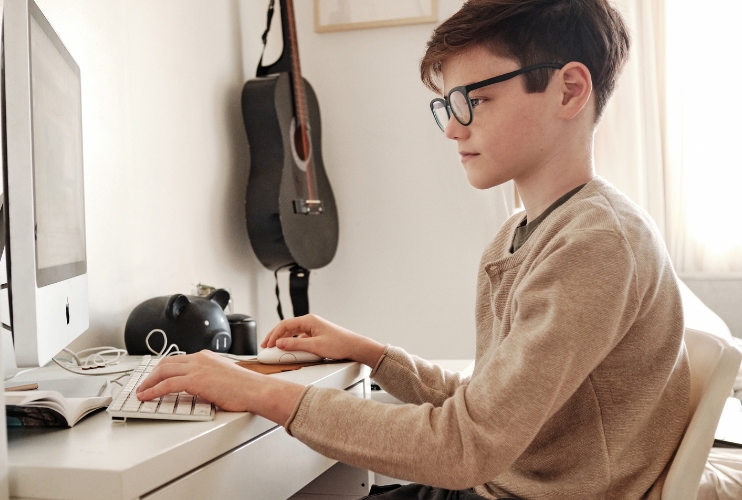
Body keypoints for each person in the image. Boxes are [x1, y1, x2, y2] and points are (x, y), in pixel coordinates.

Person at [135, 0, 690, 498]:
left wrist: (256, 391)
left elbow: (465, 444)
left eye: (474, 100)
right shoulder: (528, 232)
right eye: (447, 105)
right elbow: (484, 405)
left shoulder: (595, 244)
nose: (452, 129)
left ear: (569, 90)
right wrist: (372, 353)